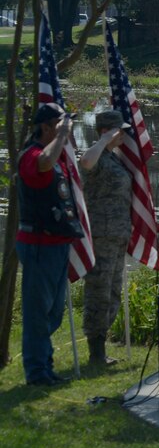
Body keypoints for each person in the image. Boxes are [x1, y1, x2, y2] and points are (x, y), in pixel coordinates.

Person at [16, 103, 83, 385]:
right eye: (60, 123)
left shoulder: (56, 155)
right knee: (38, 313)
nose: (66, 128)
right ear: (45, 127)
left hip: (57, 243)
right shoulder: (32, 155)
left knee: (54, 312)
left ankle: (45, 365)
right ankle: (37, 372)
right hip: (39, 244)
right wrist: (63, 134)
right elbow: (44, 162)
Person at [78, 110, 132, 366]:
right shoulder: (96, 155)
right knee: (99, 291)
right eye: (119, 130)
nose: (123, 135)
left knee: (112, 292)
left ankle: (101, 345)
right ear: (106, 131)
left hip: (118, 235)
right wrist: (102, 140)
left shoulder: (113, 158)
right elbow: (85, 163)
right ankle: (96, 351)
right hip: (102, 235)